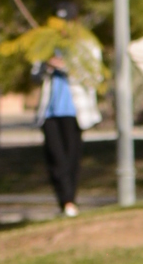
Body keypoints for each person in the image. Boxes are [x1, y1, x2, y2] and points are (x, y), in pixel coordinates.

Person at [35, 40, 97, 217]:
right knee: (55, 157)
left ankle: (70, 200)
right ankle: (64, 201)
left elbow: (94, 76)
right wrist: (47, 65)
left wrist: (65, 66)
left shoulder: (86, 46)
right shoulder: (44, 46)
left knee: (71, 158)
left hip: (75, 112)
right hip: (49, 113)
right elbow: (35, 77)